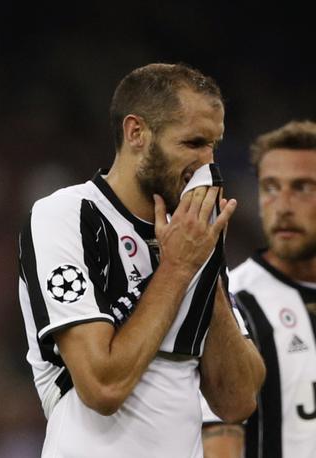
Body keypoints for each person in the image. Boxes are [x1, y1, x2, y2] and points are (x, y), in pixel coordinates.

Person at [18, 63, 266, 457]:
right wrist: (177, 268)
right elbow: (103, 387)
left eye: (214, 145)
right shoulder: (67, 216)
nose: (209, 164)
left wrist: (205, 269)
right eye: (193, 143)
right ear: (136, 133)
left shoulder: (193, 236)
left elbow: (238, 401)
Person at [201, 120, 316, 458]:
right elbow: (219, 441)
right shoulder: (232, 303)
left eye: (303, 187)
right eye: (270, 187)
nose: (282, 205)